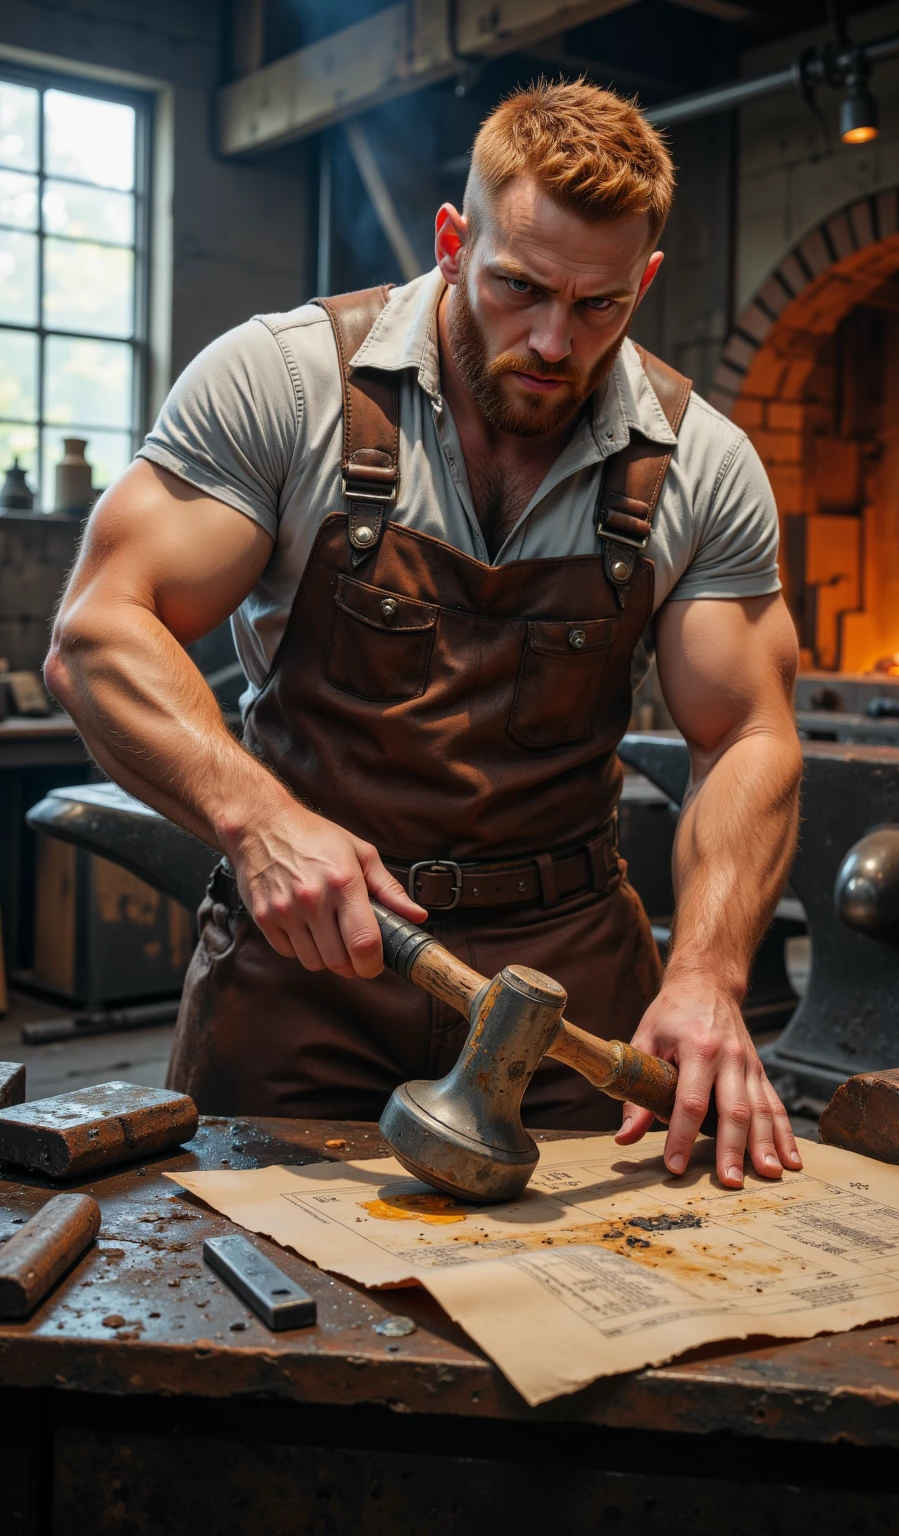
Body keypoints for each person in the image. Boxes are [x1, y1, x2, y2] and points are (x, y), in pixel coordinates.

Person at [46, 80, 803, 1190]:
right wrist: (258, 823)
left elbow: (745, 736)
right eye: (519, 287)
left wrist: (707, 969)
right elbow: (100, 632)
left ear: (642, 281)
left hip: (569, 987)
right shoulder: (285, 382)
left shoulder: (702, 462)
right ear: (454, 243)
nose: (554, 341)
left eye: (599, 308)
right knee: (241, 1301)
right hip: (311, 969)